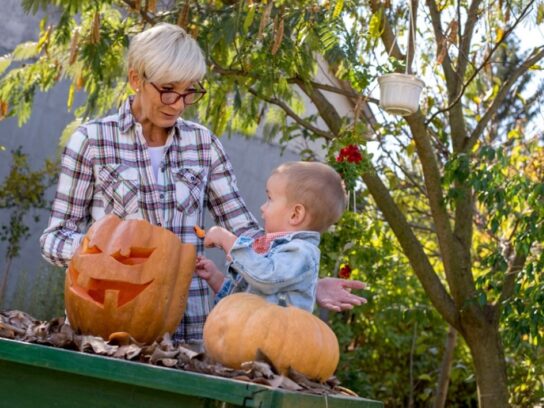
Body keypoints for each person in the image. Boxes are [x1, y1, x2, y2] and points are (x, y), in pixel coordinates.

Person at [40, 23, 365, 344]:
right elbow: (54, 239)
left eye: (189, 91)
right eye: (168, 89)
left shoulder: (203, 145)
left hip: (186, 329)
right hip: (103, 322)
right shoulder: (92, 141)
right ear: (136, 79)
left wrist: (301, 280)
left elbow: (245, 233)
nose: (178, 104)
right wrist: (105, 257)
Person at [196, 161, 347, 312]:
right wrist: (215, 278)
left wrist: (227, 240)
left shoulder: (301, 252)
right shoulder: (272, 249)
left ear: (295, 215)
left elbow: (264, 277)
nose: (263, 207)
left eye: (270, 199)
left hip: (266, 334)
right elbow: (248, 293)